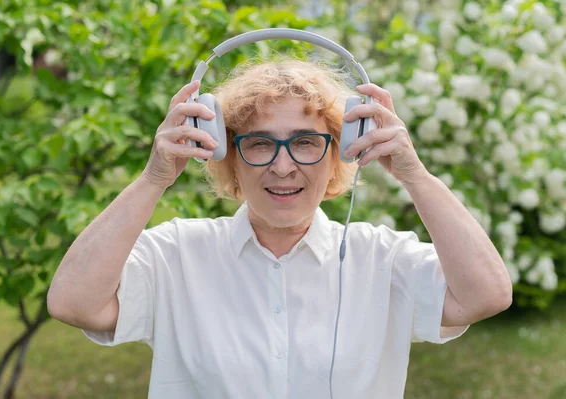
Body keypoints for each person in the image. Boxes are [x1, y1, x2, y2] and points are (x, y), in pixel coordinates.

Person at [47, 59, 513, 398]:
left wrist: (415, 174)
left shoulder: (381, 259)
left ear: (340, 153)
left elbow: (486, 294)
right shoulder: (176, 254)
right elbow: (73, 302)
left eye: (306, 142)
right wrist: (155, 178)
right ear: (227, 154)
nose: (283, 166)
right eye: (261, 143)